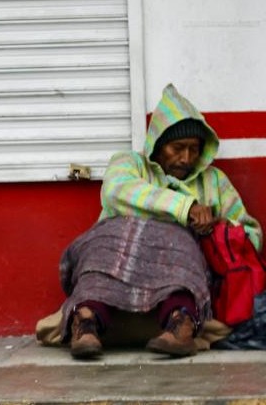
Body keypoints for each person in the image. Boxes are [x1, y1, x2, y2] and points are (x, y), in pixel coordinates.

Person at [58, 84, 261, 359]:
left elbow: (251, 234)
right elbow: (116, 191)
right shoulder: (129, 164)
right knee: (104, 242)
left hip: (179, 269)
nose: (186, 158)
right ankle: (86, 322)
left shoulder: (213, 181)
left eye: (193, 149)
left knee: (179, 241)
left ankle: (181, 324)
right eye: (177, 148)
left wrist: (216, 228)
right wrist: (185, 208)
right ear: (157, 145)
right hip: (120, 263)